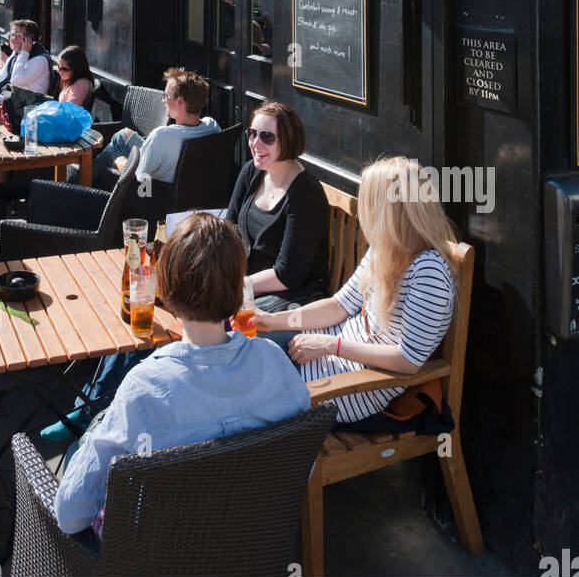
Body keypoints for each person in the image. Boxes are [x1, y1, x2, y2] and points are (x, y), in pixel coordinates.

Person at [54, 212, 311, 535]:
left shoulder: (144, 389)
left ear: (167, 289)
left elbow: (70, 515)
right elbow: (304, 463)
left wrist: (97, 434)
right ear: (239, 290)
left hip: (151, 554)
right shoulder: (276, 363)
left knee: (83, 446)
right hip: (251, 543)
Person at [250, 156, 457, 426]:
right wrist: (275, 321)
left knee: (245, 385)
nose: (364, 212)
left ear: (391, 210)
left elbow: (408, 360)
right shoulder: (385, 250)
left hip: (352, 388)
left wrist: (331, 346)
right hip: (324, 355)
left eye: (370, 202)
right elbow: (338, 307)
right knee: (240, 352)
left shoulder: (428, 271)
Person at [226, 102, 329, 316]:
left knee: (216, 323)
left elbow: (288, 274)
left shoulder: (305, 194)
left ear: (289, 141)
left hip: (291, 298)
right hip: (248, 287)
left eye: (267, 137)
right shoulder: (251, 172)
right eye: (252, 133)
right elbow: (229, 229)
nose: (255, 143)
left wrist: (237, 287)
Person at [89, 67, 219, 189]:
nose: (163, 101)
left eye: (166, 95)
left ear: (180, 101)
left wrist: (117, 160)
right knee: (123, 135)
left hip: (152, 194)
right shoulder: (212, 126)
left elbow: (137, 177)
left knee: (112, 153)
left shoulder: (161, 136)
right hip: (187, 186)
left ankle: (82, 187)